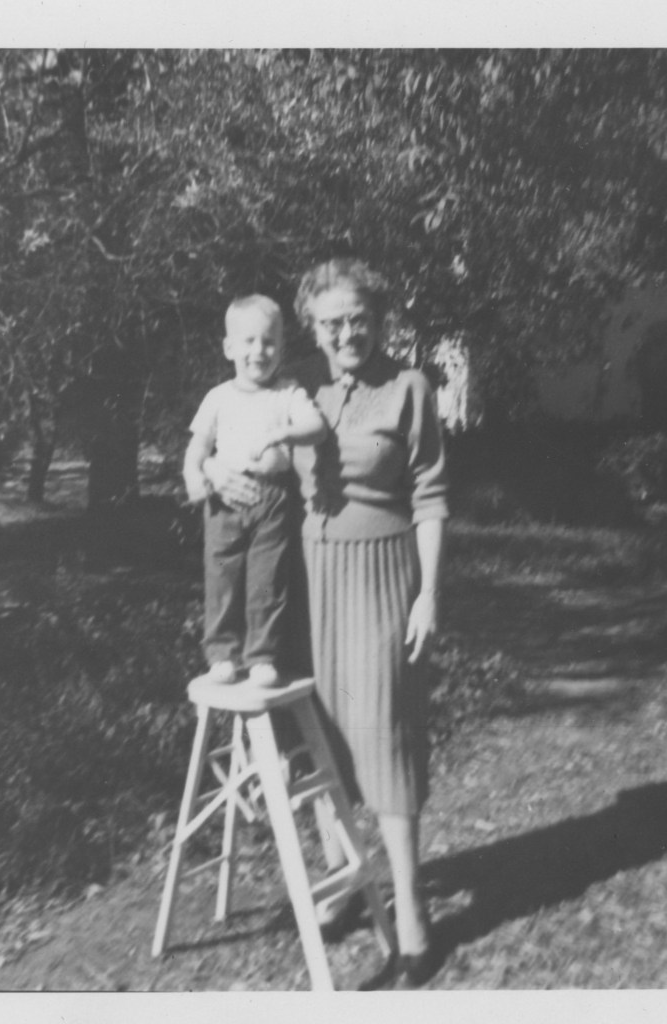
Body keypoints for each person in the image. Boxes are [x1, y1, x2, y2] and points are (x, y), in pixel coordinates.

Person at [204, 260, 448, 985]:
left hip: (382, 578)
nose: (347, 334)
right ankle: (344, 882)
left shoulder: (409, 388)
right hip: (302, 578)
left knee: (387, 736)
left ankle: (410, 910)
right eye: (332, 323)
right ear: (312, 328)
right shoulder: (292, 387)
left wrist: (429, 594)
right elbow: (230, 441)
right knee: (317, 738)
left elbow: (431, 495)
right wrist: (212, 471)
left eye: (358, 319)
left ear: (379, 320)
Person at [183, 294, 327, 687]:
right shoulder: (218, 397)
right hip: (225, 501)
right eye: (248, 341)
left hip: (273, 499)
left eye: (268, 342)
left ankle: (262, 655)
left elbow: (316, 427)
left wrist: (283, 432)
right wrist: (194, 480)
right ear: (229, 347)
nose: (258, 351)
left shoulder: (288, 392)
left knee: (267, 579)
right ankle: (223, 655)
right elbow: (197, 450)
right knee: (222, 578)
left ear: (281, 347)